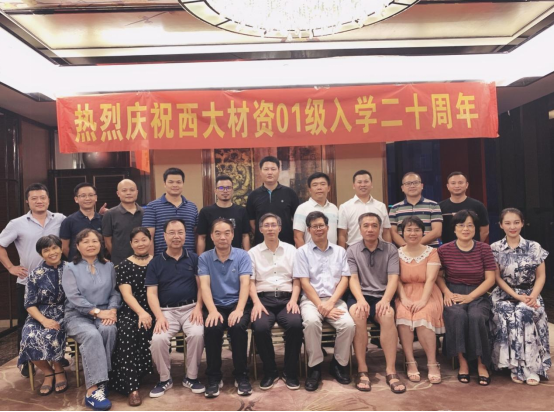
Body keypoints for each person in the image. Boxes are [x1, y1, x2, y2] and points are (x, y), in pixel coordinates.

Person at [0, 183, 65, 378]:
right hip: (29, 282)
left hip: (58, 282)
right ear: (27, 201)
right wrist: (10, 267)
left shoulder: (60, 219)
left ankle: (58, 357)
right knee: (26, 323)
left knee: (59, 322)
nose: (39, 201)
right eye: (34, 198)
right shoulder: (17, 223)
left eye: (43, 197)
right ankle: (28, 362)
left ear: (48, 200)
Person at [294, 211, 355, 392]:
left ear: (328, 228)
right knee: (311, 322)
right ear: (309, 230)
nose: (318, 229)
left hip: (334, 300)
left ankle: (338, 364)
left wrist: (331, 303)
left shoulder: (340, 251)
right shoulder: (302, 252)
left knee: (348, 325)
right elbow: (304, 282)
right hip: (311, 301)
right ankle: (314, 367)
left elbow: (345, 279)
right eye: (314, 226)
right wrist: (321, 305)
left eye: (321, 225)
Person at [346, 213, 406, 394]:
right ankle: (362, 369)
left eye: (374, 225)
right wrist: (360, 299)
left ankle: (391, 370)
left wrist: (386, 300)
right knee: (358, 315)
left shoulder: (391, 249)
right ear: (360, 229)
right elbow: (352, 278)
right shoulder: (352, 250)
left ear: (380, 228)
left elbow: (393, 278)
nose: (370, 229)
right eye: (366, 226)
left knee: (387, 316)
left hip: (382, 295)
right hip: (360, 295)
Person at [62, 229, 121, 411]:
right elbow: (74, 297)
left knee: (108, 329)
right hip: (77, 315)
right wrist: (97, 312)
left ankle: (102, 380)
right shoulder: (70, 268)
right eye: (86, 241)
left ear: (101, 245)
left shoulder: (108, 266)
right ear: (77, 246)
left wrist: (112, 310)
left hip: (105, 311)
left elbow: (114, 292)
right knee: (92, 335)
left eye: (94, 241)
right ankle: (93, 390)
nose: (90, 245)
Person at [490, 208, 551, 385]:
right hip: (504, 294)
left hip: (530, 293)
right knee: (506, 311)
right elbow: (497, 278)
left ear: (522, 223)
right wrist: (516, 295)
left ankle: (531, 368)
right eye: (508, 223)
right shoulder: (495, 248)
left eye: (516, 222)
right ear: (501, 225)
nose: (512, 226)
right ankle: (514, 367)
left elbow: (541, 276)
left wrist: (533, 296)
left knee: (524, 312)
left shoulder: (534, 247)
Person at [437, 210, 496, 387]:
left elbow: (490, 279)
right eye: (461, 225)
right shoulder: (444, 250)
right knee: (457, 315)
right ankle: (462, 362)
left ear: (475, 228)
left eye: (470, 225)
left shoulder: (484, 249)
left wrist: (470, 297)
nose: (465, 229)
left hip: (478, 293)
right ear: (454, 229)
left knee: (476, 316)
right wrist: (446, 292)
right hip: (453, 292)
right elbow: (439, 276)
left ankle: (481, 362)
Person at [147, 220, 205, 399]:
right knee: (158, 339)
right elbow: (151, 293)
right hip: (166, 312)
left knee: (197, 334)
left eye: (180, 232)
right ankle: (164, 379)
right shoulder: (155, 262)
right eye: (171, 233)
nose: (176, 236)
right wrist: (159, 317)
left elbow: (202, 286)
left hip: (191, 309)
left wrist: (199, 308)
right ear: (164, 236)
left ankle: (191, 377)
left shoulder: (194, 258)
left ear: (186, 235)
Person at [198, 218, 253, 398]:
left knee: (238, 327)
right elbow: (204, 286)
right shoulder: (204, 258)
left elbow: (245, 284)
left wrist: (239, 309)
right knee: (212, 327)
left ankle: (241, 375)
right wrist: (212, 311)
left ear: (233, 235)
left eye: (227, 233)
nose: (223, 237)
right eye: (218, 233)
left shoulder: (242, 256)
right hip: (215, 305)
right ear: (211, 236)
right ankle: (213, 377)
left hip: (238, 304)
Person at [249, 213, 303, 391]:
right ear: (260, 229)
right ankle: (270, 371)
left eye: (274, 225)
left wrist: (294, 300)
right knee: (260, 327)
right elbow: (250, 282)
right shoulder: (253, 253)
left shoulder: (291, 250)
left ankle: (290, 371)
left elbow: (297, 279)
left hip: (287, 298)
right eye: (266, 225)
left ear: (280, 228)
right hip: (263, 299)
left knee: (295, 325)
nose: (270, 228)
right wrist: (256, 303)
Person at [395, 217, 444, 385]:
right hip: (404, 292)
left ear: (423, 232)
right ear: (402, 233)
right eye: (408, 230)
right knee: (403, 315)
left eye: (417, 230)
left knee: (423, 316)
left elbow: (431, 279)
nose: (413, 233)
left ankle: (432, 362)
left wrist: (423, 300)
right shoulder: (396, 253)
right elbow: (396, 279)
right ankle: (410, 361)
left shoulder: (431, 252)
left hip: (427, 292)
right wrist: (403, 298)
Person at [18, 235, 68, 396]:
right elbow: (29, 304)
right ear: (41, 254)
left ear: (61, 248)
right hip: (39, 314)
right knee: (28, 337)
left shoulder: (72, 269)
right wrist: (44, 320)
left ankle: (59, 368)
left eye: (55, 248)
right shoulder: (35, 274)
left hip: (66, 311)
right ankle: (48, 371)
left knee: (53, 332)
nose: (52, 252)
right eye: (46, 250)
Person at [110, 228, 155, 407]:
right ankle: (132, 388)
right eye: (136, 241)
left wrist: (152, 313)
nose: (140, 244)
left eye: (144, 239)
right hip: (132, 310)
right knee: (127, 331)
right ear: (131, 244)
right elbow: (126, 295)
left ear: (150, 241)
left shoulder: (158, 262)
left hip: (155, 309)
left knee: (152, 329)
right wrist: (141, 313)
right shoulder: (124, 266)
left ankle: (145, 373)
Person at [143, 168, 198, 256]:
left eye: (178, 182)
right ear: (164, 184)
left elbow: (196, 235)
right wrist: (151, 260)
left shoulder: (192, 207)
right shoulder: (152, 207)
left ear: (183, 184)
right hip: (161, 259)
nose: (175, 185)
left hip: (189, 259)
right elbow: (148, 237)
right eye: (171, 182)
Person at [246, 156, 300, 246]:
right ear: (260, 171)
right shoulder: (253, 195)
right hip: (261, 245)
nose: (270, 172)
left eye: (273, 169)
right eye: (266, 169)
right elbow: (252, 223)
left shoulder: (290, 193)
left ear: (279, 171)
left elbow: (297, 220)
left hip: (286, 244)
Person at [197, 174, 251, 254]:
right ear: (215, 190)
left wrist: (247, 256)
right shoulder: (205, 212)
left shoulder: (241, 211)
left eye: (228, 188)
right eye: (221, 188)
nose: (225, 191)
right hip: (212, 257)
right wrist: (200, 258)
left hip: (236, 256)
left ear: (232, 190)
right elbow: (202, 237)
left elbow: (245, 236)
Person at [338, 170, 392, 248]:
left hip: (379, 249)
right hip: (354, 250)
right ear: (354, 185)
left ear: (371, 184)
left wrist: (389, 251)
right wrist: (342, 253)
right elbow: (342, 234)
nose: (363, 185)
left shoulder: (381, 206)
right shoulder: (345, 207)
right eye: (359, 182)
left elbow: (386, 232)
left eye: (366, 182)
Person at [389, 172, 443, 248]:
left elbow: (437, 231)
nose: (412, 186)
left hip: (430, 250)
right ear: (402, 188)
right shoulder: (395, 208)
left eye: (415, 183)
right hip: (404, 252)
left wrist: (415, 246)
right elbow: (393, 232)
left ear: (422, 186)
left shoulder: (433, 205)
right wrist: (406, 247)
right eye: (408, 183)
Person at [102, 179, 144, 266]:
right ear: (118, 193)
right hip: (120, 263)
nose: (128, 193)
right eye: (124, 190)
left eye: (132, 190)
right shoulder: (110, 214)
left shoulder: (145, 213)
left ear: (137, 192)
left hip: (143, 261)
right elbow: (107, 241)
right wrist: (117, 256)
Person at [440, 172, 490, 244]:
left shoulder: (478, 206)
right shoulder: (440, 207)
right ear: (448, 186)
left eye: (460, 183)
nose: (457, 186)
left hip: (473, 248)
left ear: (467, 185)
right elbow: (437, 231)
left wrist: (473, 245)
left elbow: (484, 231)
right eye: (453, 183)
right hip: (448, 249)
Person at [293, 172, 340, 247]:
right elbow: (298, 237)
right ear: (310, 189)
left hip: (332, 252)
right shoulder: (302, 208)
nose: (319, 188)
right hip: (310, 252)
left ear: (328, 188)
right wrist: (304, 253)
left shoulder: (334, 208)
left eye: (323, 184)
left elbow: (338, 234)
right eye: (315, 185)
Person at [60, 183, 104, 261]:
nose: (87, 198)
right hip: (76, 264)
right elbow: (64, 247)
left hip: (99, 263)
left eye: (91, 195)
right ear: (76, 199)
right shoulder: (68, 221)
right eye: (83, 196)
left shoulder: (103, 219)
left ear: (96, 198)